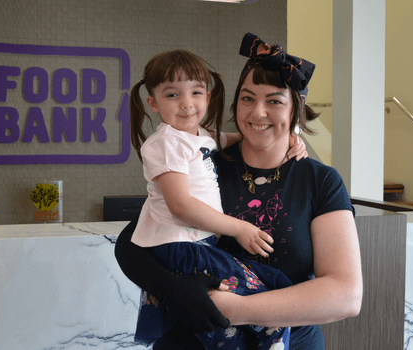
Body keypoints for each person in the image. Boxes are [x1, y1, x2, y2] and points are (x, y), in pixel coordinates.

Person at [116, 33, 363, 350]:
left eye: (274, 101)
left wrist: (232, 309)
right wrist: (172, 287)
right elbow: (130, 244)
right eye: (247, 98)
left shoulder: (320, 181)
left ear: (295, 111)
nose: (257, 112)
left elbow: (345, 295)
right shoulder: (203, 161)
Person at [127, 49, 309, 350]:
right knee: (241, 314)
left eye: (195, 92)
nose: (187, 104)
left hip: (195, 245)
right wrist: (238, 228)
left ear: (207, 98)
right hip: (183, 247)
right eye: (172, 95)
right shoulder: (166, 143)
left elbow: (243, 137)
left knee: (257, 298)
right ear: (153, 104)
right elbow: (181, 205)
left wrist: (290, 136)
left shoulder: (201, 137)